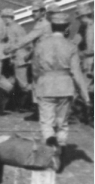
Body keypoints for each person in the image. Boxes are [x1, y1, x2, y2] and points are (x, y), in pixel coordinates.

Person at [32, 10, 89, 160]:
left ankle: (50, 143)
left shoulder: (41, 44)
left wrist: (38, 82)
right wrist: (85, 95)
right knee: (62, 122)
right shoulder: (71, 46)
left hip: (46, 85)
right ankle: (61, 146)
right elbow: (77, 73)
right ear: (67, 28)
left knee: (46, 121)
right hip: (65, 86)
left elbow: (35, 69)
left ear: (51, 26)